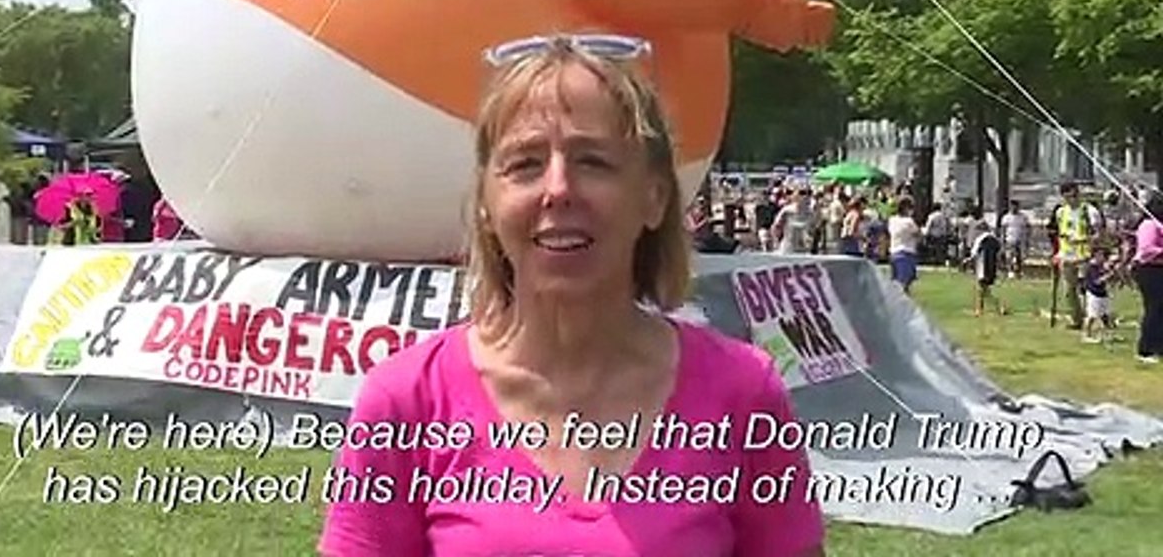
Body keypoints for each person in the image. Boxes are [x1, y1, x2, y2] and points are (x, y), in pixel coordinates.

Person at [318, 34, 824, 557]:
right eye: (525, 164)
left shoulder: (744, 394)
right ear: (487, 204)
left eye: (593, 161)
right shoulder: (405, 402)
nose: (558, 188)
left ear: (654, 197)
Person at [1053, 182, 1095, 329]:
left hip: (1084, 255)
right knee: (1069, 291)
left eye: (1075, 195)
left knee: (1086, 289)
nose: (1072, 199)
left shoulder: (1089, 211)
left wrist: (1083, 240)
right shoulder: (1060, 212)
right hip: (1067, 255)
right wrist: (1058, 253)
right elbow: (1059, 234)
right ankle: (1077, 319)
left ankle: (1093, 318)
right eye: (1068, 196)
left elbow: (1099, 234)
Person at [1131, 191, 1163, 364]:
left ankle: (1159, 346)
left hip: (1159, 270)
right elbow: (1146, 250)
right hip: (1149, 270)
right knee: (1154, 308)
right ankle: (1146, 349)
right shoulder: (1149, 225)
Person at [970, 208, 1006, 318]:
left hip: (982, 267)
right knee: (983, 290)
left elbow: (974, 253)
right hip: (992, 268)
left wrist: (968, 261)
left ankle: (992, 308)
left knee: (982, 289)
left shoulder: (980, 239)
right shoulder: (994, 239)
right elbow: (1000, 252)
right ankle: (989, 308)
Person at [887, 197, 920, 294]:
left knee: (896, 282)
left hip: (894, 253)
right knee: (904, 284)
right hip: (906, 253)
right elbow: (918, 234)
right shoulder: (909, 221)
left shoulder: (892, 220)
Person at [1081, 248, 1111, 345]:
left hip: (1103, 293)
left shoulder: (1102, 266)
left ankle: (1107, 334)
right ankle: (1086, 335)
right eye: (1103, 256)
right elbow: (1097, 282)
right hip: (1094, 293)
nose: (1105, 258)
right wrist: (1107, 276)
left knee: (1105, 315)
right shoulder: (1091, 267)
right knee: (1092, 316)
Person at [1000, 200, 1029, 278]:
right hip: (1009, 239)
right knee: (1009, 256)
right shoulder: (1006, 217)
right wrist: (1002, 240)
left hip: (1020, 240)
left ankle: (1019, 271)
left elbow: (1027, 228)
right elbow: (1003, 230)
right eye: (1012, 206)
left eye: (1016, 206)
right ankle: (1010, 271)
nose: (1014, 208)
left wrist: (1026, 238)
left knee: (1019, 257)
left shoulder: (1023, 217)